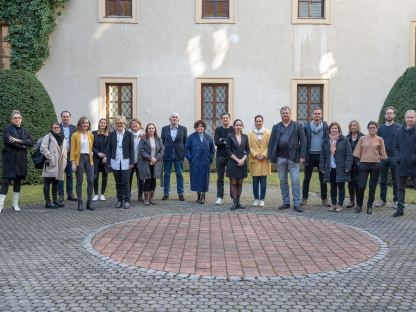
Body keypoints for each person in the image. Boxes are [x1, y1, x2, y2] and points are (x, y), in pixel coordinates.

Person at [268, 106, 306, 212]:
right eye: (283, 113)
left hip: (294, 158)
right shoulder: (276, 127)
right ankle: (286, 202)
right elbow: (271, 142)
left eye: (287, 113)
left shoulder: (298, 126)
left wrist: (303, 156)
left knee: (295, 181)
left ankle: (297, 203)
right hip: (280, 158)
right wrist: (270, 156)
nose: (285, 115)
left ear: (290, 114)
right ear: (281, 115)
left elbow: (303, 142)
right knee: (283, 180)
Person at [0, 110, 33, 213]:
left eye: (19, 118)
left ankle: (15, 204)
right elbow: (8, 141)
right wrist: (23, 144)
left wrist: (19, 141)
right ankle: (0, 204)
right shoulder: (7, 129)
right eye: (15, 118)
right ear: (11, 119)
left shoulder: (25, 131)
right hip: (10, 159)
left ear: (21, 119)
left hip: (21, 160)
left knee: (18, 181)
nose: (17, 119)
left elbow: (31, 142)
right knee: (6, 181)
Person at [353, 121, 387, 214]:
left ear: (377, 129)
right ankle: (359, 205)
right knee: (361, 186)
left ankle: (369, 206)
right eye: (370, 127)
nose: (372, 129)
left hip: (375, 165)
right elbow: (356, 153)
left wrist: (380, 163)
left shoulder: (380, 139)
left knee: (372, 187)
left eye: (374, 127)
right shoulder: (362, 138)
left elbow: (383, 155)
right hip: (363, 164)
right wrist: (358, 163)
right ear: (368, 128)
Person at [319, 122, 352, 212]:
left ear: (339, 130)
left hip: (341, 167)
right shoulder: (326, 141)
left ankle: (340, 204)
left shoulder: (344, 140)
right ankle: (334, 204)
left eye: (336, 128)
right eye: (332, 128)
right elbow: (322, 155)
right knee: (333, 186)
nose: (334, 130)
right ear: (329, 130)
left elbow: (349, 154)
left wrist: (348, 166)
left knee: (341, 186)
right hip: (330, 168)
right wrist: (322, 167)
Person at [302, 107, 329, 207]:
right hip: (309, 155)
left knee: (323, 178)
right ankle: (304, 198)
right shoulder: (306, 127)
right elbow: (303, 142)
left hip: (321, 156)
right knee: (306, 178)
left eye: (319, 114)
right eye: (315, 114)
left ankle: (324, 199)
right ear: (312, 115)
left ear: (321, 115)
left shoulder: (326, 127)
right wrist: (303, 155)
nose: (317, 115)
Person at [375, 106, 401, 208]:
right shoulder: (380, 129)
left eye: (391, 113)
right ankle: (382, 199)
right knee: (383, 180)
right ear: (385, 115)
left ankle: (396, 200)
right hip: (383, 158)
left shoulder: (399, 128)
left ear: (394, 115)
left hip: (394, 157)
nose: (389, 115)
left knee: (396, 180)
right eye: (387, 113)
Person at [185, 120, 215, 204]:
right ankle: (198, 196)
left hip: (205, 162)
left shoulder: (208, 137)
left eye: (202, 126)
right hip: (195, 162)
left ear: (204, 128)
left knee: (204, 179)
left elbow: (212, 150)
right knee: (196, 179)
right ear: (195, 128)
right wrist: (189, 158)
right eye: (198, 126)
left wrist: (210, 159)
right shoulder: (191, 137)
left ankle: (203, 196)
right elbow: (187, 148)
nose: (200, 128)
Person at [108, 115, 135, 209]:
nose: (120, 124)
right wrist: (108, 162)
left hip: (126, 161)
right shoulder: (111, 134)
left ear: (125, 124)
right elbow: (109, 149)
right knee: (118, 182)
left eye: (121, 122)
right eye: (118, 122)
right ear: (115, 123)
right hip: (115, 161)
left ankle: (127, 200)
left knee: (125, 182)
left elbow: (132, 149)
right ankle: (119, 200)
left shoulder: (129, 134)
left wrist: (132, 162)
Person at [393, 110, 416, 217]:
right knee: (400, 188)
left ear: (415, 119)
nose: (410, 119)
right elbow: (395, 147)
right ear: (405, 118)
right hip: (401, 164)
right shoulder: (398, 131)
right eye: (408, 117)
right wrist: (399, 158)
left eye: (412, 117)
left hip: (414, 165)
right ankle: (400, 209)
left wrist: (413, 158)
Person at [161, 112, 187, 201]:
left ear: (178, 119)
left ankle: (180, 193)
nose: (174, 118)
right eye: (173, 117)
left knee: (179, 174)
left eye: (176, 117)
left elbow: (185, 142)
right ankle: (166, 193)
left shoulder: (183, 129)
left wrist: (184, 154)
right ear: (170, 119)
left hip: (179, 154)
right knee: (167, 174)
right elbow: (162, 142)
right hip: (167, 154)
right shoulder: (164, 129)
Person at [40, 122, 67, 209]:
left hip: (59, 163)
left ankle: (55, 201)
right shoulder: (48, 136)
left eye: (57, 128)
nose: (56, 129)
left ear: (60, 128)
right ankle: (48, 202)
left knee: (56, 182)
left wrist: (65, 161)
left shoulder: (63, 138)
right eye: (54, 128)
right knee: (47, 182)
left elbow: (65, 150)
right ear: (51, 128)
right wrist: (50, 157)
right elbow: (43, 148)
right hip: (50, 163)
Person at [71, 116, 95, 211]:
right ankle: (80, 202)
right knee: (79, 181)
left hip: (89, 159)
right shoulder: (75, 135)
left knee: (91, 180)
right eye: (83, 123)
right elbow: (72, 150)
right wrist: (73, 163)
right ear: (80, 124)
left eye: (87, 123)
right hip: (79, 158)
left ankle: (89, 202)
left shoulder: (91, 135)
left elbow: (91, 148)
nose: (85, 124)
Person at [248, 115, 271, 207]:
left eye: (260, 121)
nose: (258, 123)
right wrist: (256, 154)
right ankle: (256, 199)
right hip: (255, 160)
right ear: (254, 122)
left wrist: (264, 155)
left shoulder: (268, 132)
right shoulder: (250, 133)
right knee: (255, 181)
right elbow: (248, 146)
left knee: (263, 181)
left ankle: (262, 199)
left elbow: (270, 145)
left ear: (262, 122)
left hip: (264, 160)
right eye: (257, 121)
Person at [226, 119, 250, 210]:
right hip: (232, 162)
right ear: (234, 126)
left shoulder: (245, 137)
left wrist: (243, 159)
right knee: (233, 182)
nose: (238, 127)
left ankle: (238, 202)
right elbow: (228, 150)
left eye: (240, 125)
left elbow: (247, 150)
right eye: (237, 125)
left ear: (242, 126)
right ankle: (234, 202)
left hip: (242, 162)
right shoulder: (230, 136)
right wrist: (237, 160)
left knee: (240, 183)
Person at [138, 123, 164, 206]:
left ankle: (151, 198)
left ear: (155, 130)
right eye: (149, 128)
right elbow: (141, 150)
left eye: (152, 128)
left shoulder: (159, 139)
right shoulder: (143, 139)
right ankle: (146, 199)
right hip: (146, 162)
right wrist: (150, 158)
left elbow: (162, 151)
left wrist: (155, 159)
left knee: (153, 179)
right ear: (147, 130)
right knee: (147, 179)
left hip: (156, 162)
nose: (151, 130)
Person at [214, 112, 234, 205]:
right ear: (221, 119)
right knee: (220, 178)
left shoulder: (233, 129)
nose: (225, 119)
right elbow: (216, 142)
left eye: (227, 118)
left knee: (232, 177)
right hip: (220, 156)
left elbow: (234, 143)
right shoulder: (218, 129)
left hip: (231, 156)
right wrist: (227, 141)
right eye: (224, 118)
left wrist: (223, 140)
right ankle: (219, 197)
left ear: (229, 119)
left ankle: (233, 197)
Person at [58, 111, 77, 203]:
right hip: (60, 155)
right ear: (61, 117)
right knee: (60, 175)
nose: (66, 118)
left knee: (69, 175)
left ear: (70, 117)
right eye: (64, 117)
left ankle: (70, 194)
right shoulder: (57, 127)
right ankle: (60, 195)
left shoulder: (74, 128)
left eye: (67, 117)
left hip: (70, 155)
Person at [346, 120, 364, 208]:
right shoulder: (347, 138)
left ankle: (358, 201)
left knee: (358, 182)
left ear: (357, 126)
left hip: (359, 163)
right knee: (350, 182)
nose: (353, 127)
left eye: (354, 125)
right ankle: (351, 200)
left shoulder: (362, 137)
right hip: (349, 163)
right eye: (351, 125)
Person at [92, 118, 109, 201]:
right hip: (96, 158)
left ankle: (102, 194)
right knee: (95, 176)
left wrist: (106, 156)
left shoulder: (109, 134)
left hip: (105, 159)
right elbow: (91, 146)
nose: (103, 124)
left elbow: (110, 146)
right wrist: (97, 153)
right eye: (101, 122)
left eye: (104, 123)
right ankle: (95, 194)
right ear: (99, 124)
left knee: (105, 176)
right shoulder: (94, 133)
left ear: (106, 125)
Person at [129, 118, 145, 202]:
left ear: (139, 125)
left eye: (136, 123)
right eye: (133, 124)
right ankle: (128, 196)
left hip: (140, 161)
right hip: (130, 161)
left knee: (141, 179)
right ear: (130, 126)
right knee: (128, 179)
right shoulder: (127, 134)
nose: (134, 125)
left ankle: (140, 196)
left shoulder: (144, 135)